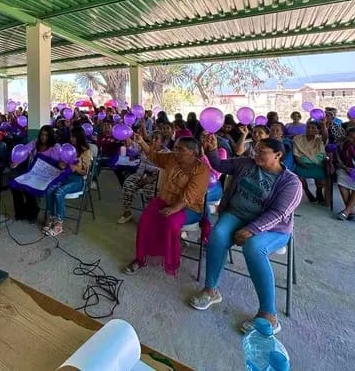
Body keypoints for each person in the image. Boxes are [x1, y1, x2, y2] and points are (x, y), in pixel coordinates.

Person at [189, 135, 301, 334]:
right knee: (218, 235)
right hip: (237, 214)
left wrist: (252, 229)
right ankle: (211, 289)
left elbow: (279, 213)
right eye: (256, 150)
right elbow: (219, 165)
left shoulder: (291, 182)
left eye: (262, 152)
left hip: (272, 228)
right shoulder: (246, 163)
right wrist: (213, 149)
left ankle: (269, 315)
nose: (256, 154)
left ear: (278, 155)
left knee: (254, 248)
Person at [123, 137, 210, 276]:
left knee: (171, 222)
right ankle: (140, 258)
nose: (176, 151)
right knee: (145, 220)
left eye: (181, 149)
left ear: (193, 152)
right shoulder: (172, 158)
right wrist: (141, 142)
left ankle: (171, 259)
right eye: (175, 148)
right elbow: (154, 156)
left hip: (190, 207)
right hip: (165, 199)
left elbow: (190, 195)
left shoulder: (202, 169)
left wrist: (173, 209)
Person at [43, 127, 93, 237]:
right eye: (71, 136)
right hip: (65, 177)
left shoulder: (86, 151)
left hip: (78, 180)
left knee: (59, 192)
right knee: (50, 189)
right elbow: (61, 165)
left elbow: (85, 172)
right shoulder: (68, 148)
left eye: (74, 137)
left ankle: (59, 224)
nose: (71, 139)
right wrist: (62, 165)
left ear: (79, 138)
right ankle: (51, 217)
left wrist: (76, 169)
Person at [10, 125, 59, 222]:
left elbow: (56, 163)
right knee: (14, 186)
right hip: (32, 173)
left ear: (50, 136)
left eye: (46, 135)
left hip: (46, 176)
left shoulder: (55, 147)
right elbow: (25, 151)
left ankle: (32, 213)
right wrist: (16, 162)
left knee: (29, 189)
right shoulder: (35, 143)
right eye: (42, 134)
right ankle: (20, 212)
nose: (43, 137)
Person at [117, 135, 165, 224]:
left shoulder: (165, 153)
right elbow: (133, 148)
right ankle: (127, 213)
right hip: (140, 174)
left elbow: (163, 171)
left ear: (162, 142)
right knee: (128, 184)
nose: (153, 141)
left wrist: (151, 178)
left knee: (150, 191)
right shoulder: (145, 148)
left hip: (155, 178)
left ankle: (151, 216)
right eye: (152, 138)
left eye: (156, 139)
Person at [292, 121, 327, 203]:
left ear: (318, 130)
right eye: (308, 127)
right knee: (299, 175)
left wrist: (324, 125)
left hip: (317, 163)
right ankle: (307, 192)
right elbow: (295, 153)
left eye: (313, 128)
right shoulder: (298, 138)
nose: (310, 129)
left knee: (320, 179)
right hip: (302, 163)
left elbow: (325, 136)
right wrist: (300, 163)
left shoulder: (319, 139)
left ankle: (318, 191)